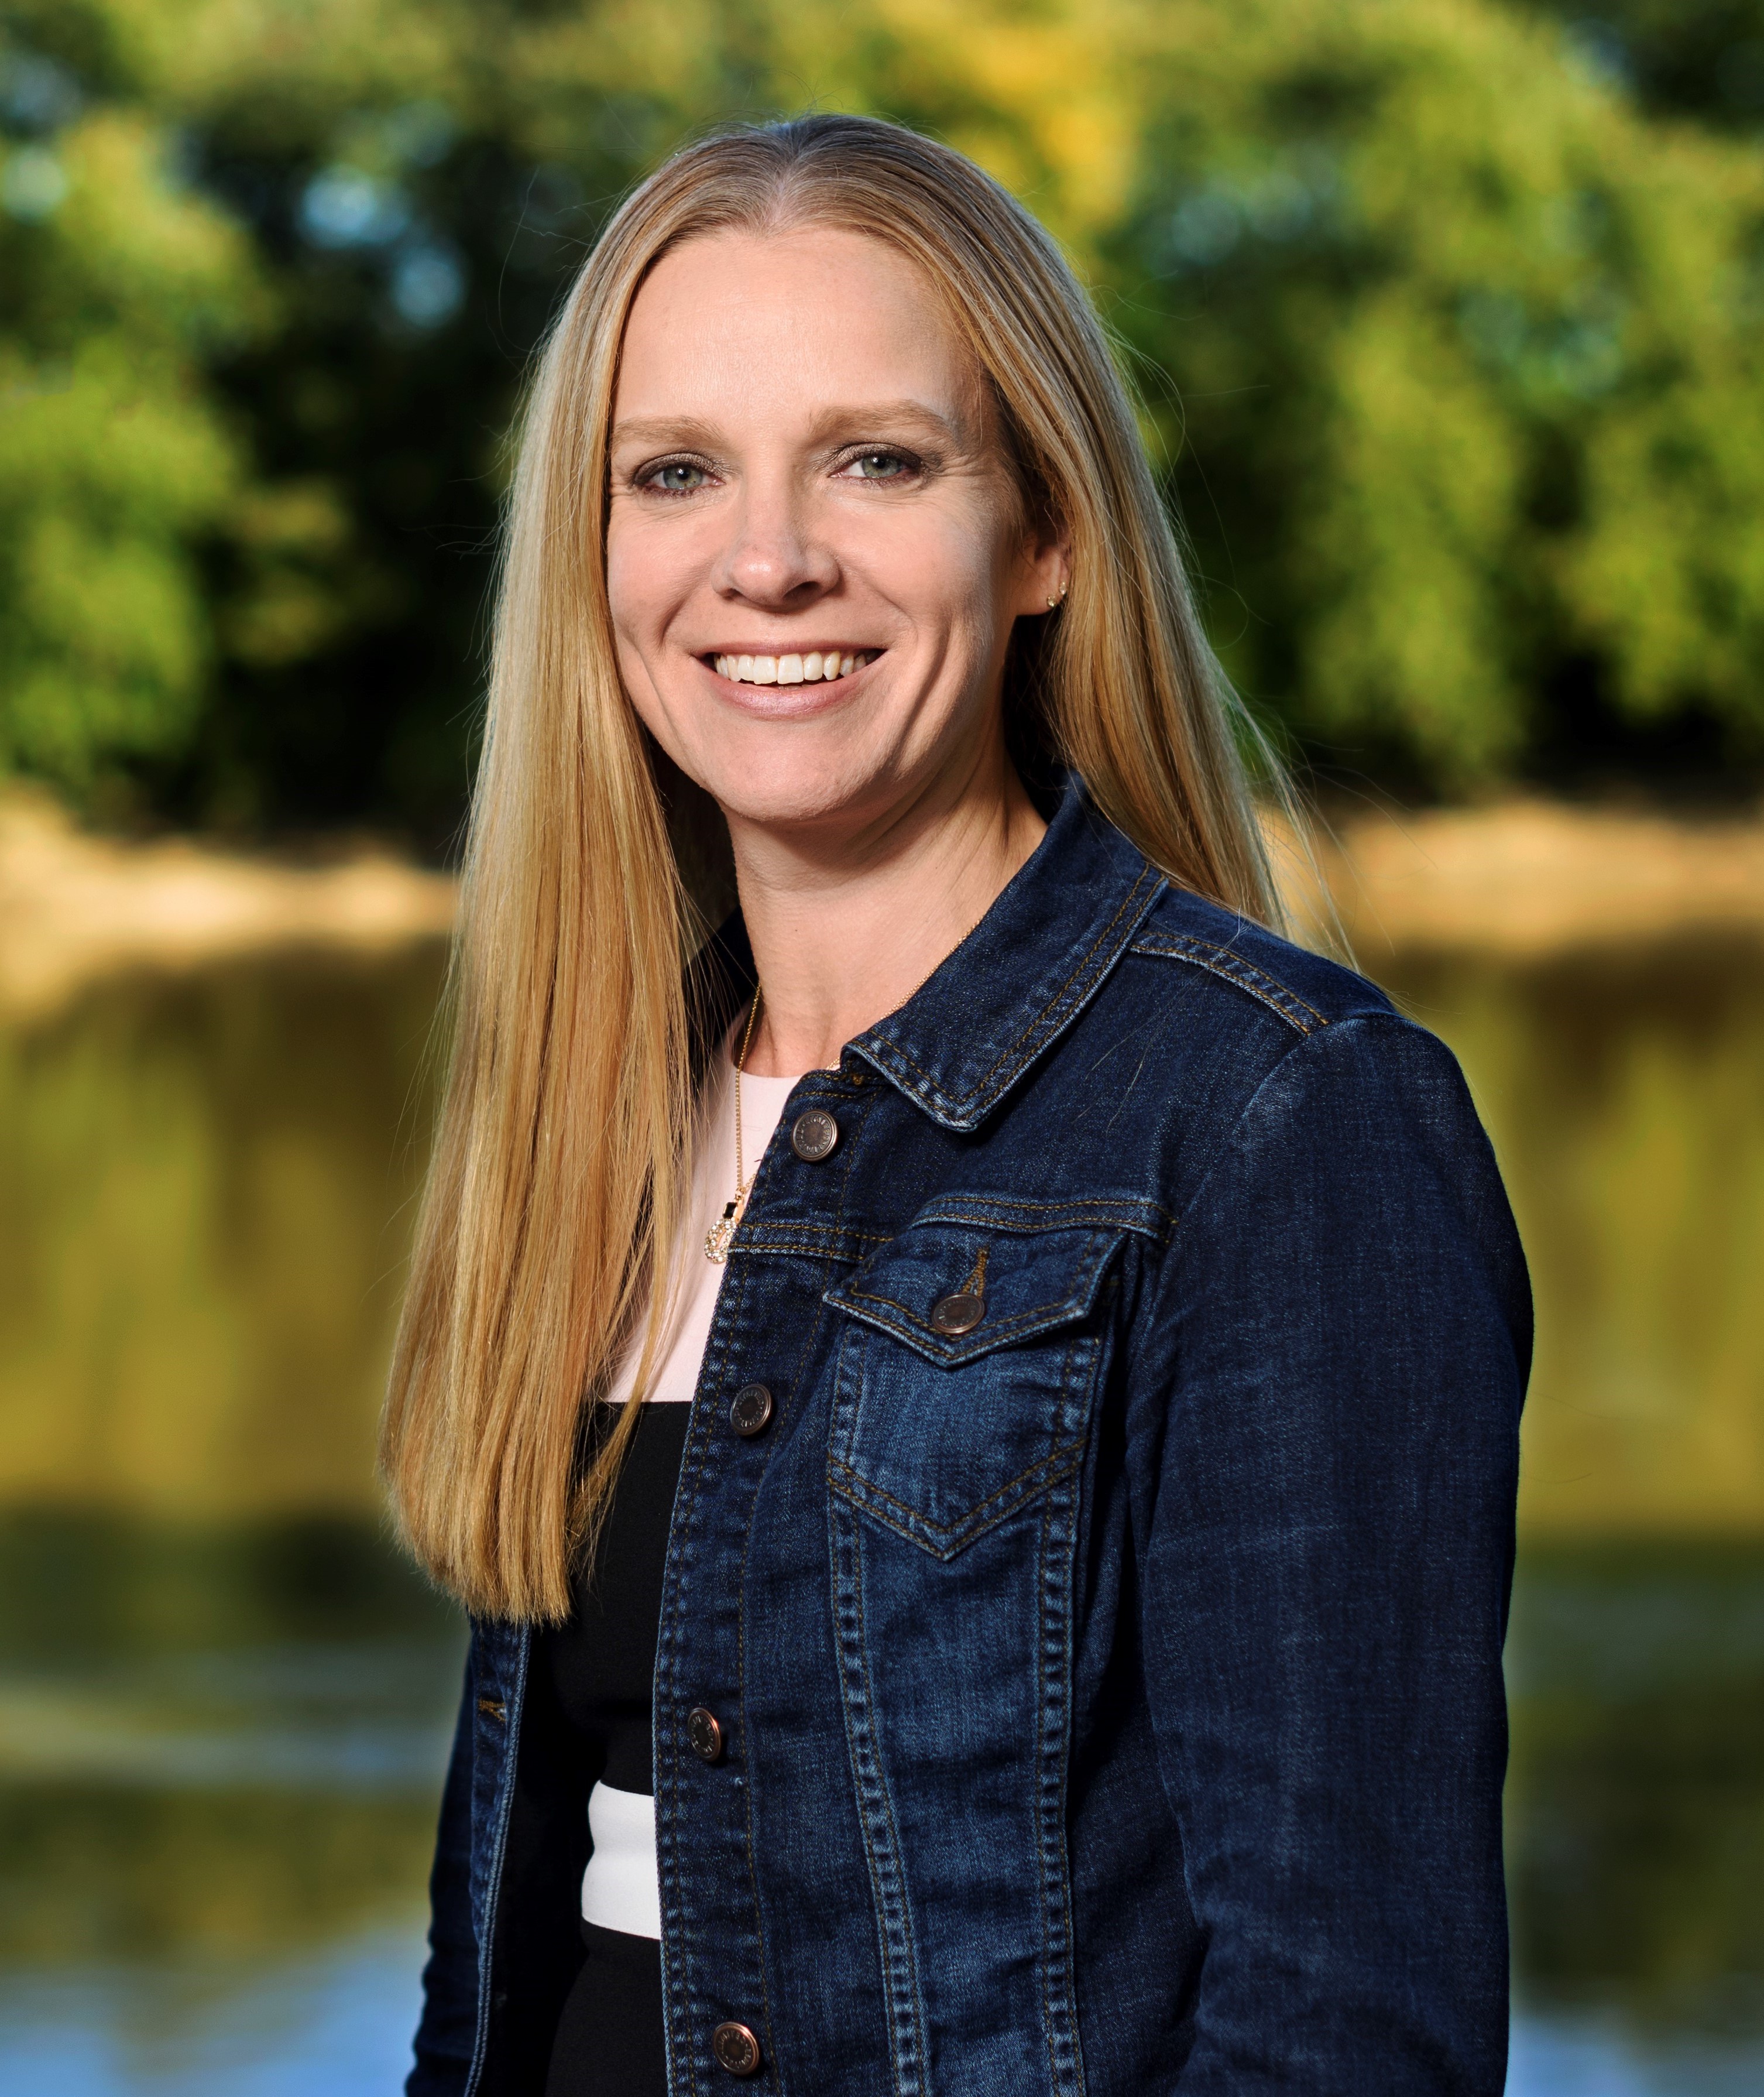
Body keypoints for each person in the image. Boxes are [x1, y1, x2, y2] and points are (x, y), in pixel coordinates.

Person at [386, 113, 1529, 2097]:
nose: (768, 561)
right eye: (675, 473)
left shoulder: (1279, 1121)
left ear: (1049, 534)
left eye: (878, 461)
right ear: (595, 557)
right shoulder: (600, 1111)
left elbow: (1347, 2033)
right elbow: (504, 1947)